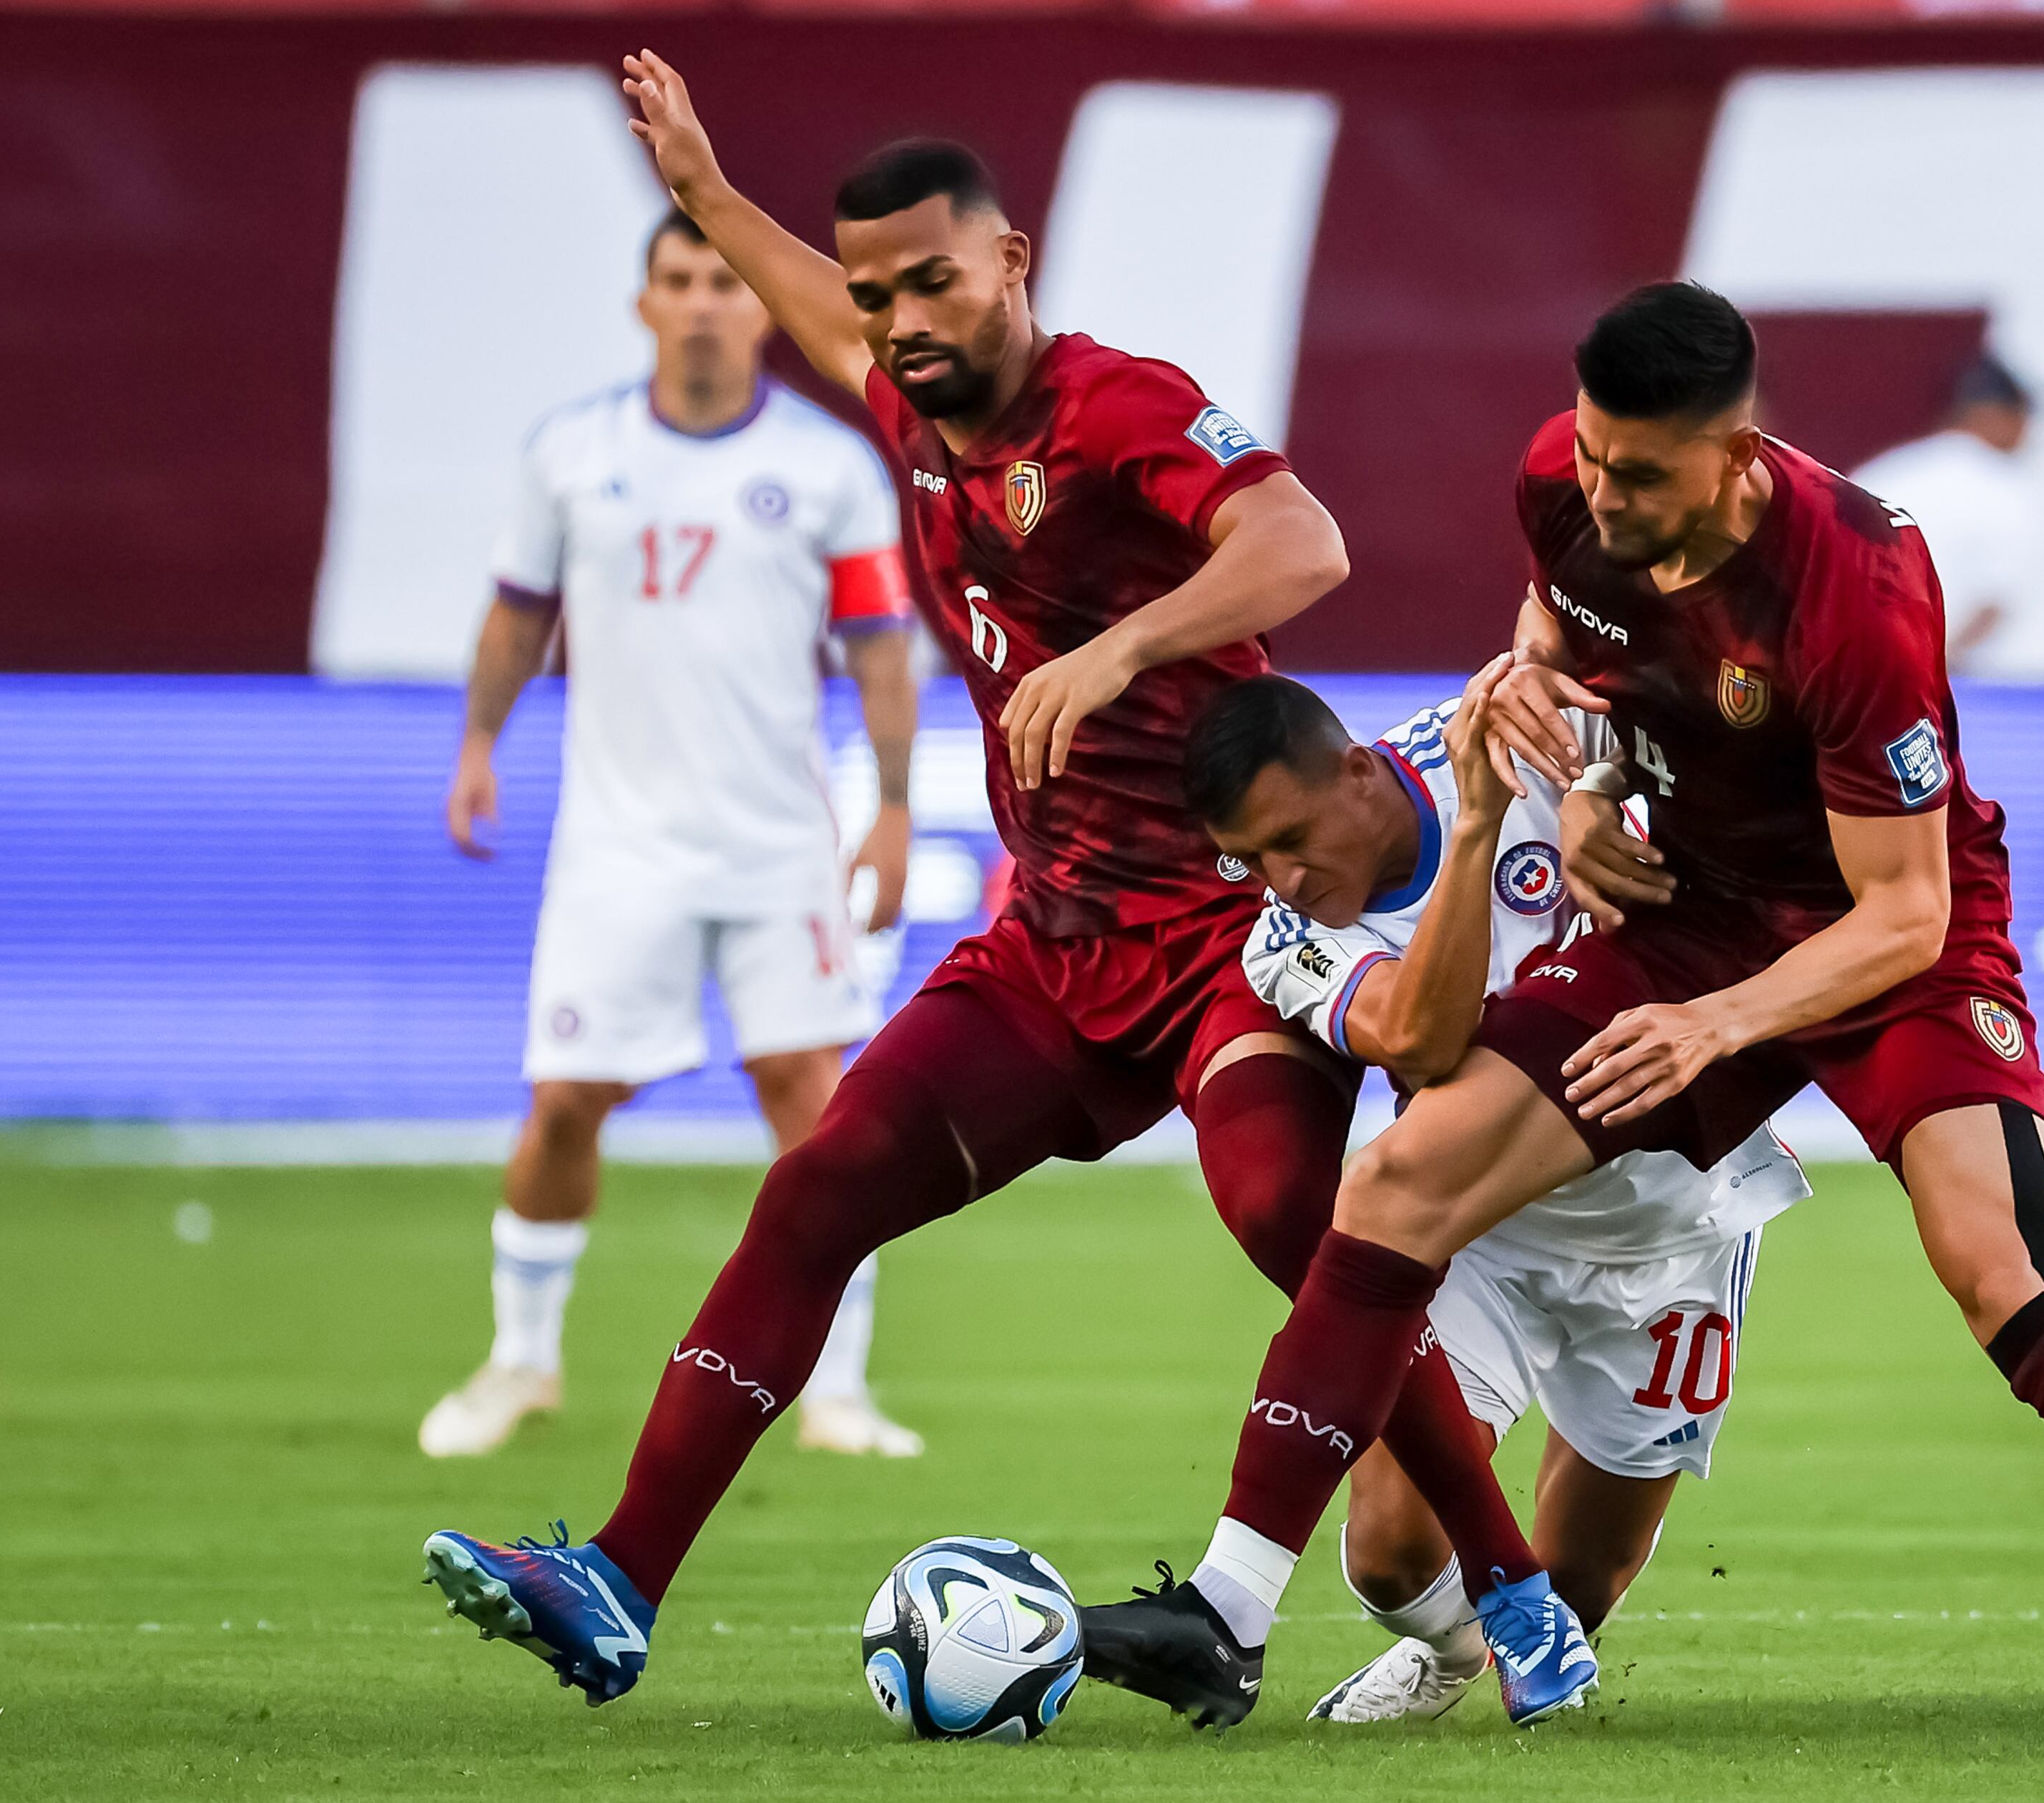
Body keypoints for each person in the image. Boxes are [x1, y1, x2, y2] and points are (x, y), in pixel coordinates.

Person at [417, 51, 1556, 1709]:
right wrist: (711, 198)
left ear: (1014, 263)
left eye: (934, 280)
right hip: (1050, 947)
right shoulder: (905, 386)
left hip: (1228, 939)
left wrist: (1125, 647)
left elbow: (1307, 546)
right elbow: (819, 313)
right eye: (883, 292)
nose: (898, 318)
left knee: (1286, 1221)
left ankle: (1515, 1601)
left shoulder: (1116, 409)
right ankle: (612, 1584)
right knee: (817, 1191)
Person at [1093, 283, 2044, 1762]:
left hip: (1886, 930)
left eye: (1638, 472)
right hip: (1690, 900)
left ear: (1738, 458)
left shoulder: (1861, 586)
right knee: (1400, 1179)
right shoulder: (1563, 483)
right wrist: (1583, 769)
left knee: (2001, 1261)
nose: (1600, 493)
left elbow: (1902, 912)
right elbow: (1562, 634)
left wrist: (1718, 1024)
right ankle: (1226, 1605)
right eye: (1592, 457)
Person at [1176, 671, 1804, 1726]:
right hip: (1480, 1232)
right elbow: (1422, 1038)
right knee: (1385, 1551)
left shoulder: (1520, 734)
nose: (1279, 878)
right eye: (1250, 857)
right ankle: (1465, 1645)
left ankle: (1528, 1618)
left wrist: (1602, 795)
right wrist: (1476, 831)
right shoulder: (1284, 939)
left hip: (1673, 1219)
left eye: (1291, 837)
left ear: (1360, 773)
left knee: (1587, 1579)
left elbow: (1673, 728)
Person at [416, 210, 925, 1463]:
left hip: (776, 844)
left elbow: (880, 650)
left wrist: (898, 806)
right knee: (565, 1103)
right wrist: (478, 744)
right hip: (617, 845)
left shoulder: (828, 468)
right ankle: (520, 1361)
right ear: (642, 302)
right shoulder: (571, 454)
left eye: (722, 281)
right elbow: (514, 615)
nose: (703, 302)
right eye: (677, 281)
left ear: (760, 305)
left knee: (814, 1110)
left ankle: (838, 1390)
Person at [1849, 351, 2038, 673]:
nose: (2027, 434)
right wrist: (1938, 662)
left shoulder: (1887, 472)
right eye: (2022, 419)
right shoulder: (2001, 486)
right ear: (1993, 416)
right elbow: (1992, 601)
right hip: (1945, 682)